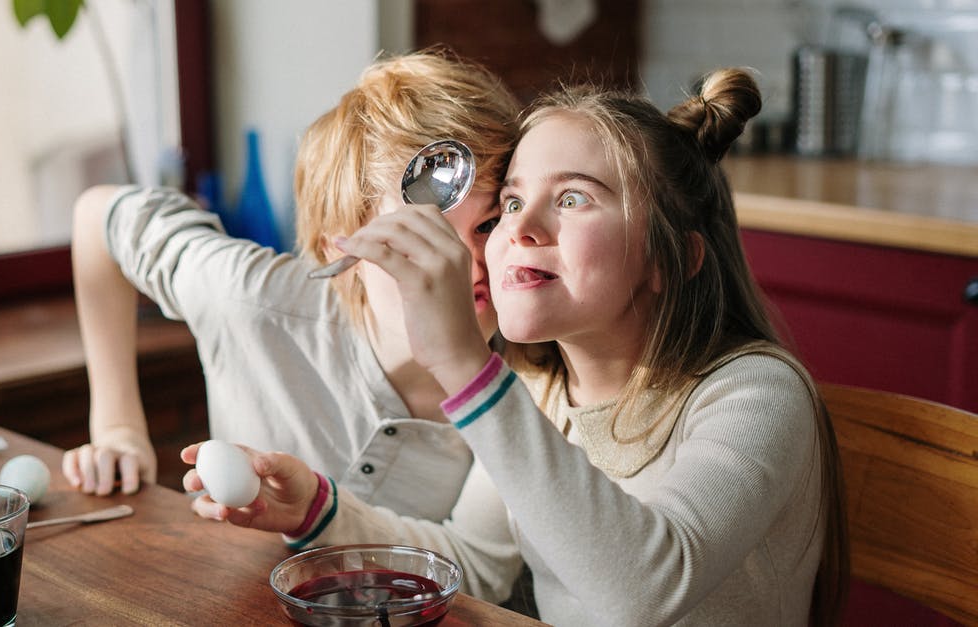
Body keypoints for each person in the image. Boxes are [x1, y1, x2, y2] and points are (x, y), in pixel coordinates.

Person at [181, 68, 850, 625]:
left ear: (668, 260)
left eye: (575, 199)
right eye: (510, 202)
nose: (520, 228)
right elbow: (476, 562)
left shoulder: (755, 394)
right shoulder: (541, 387)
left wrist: (468, 370)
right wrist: (318, 511)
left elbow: (643, 592)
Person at [60, 47, 521, 534]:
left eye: (489, 224)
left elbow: (477, 568)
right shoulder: (254, 300)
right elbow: (97, 217)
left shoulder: (533, 374)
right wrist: (118, 428)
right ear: (339, 252)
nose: (465, 263)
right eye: (423, 235)